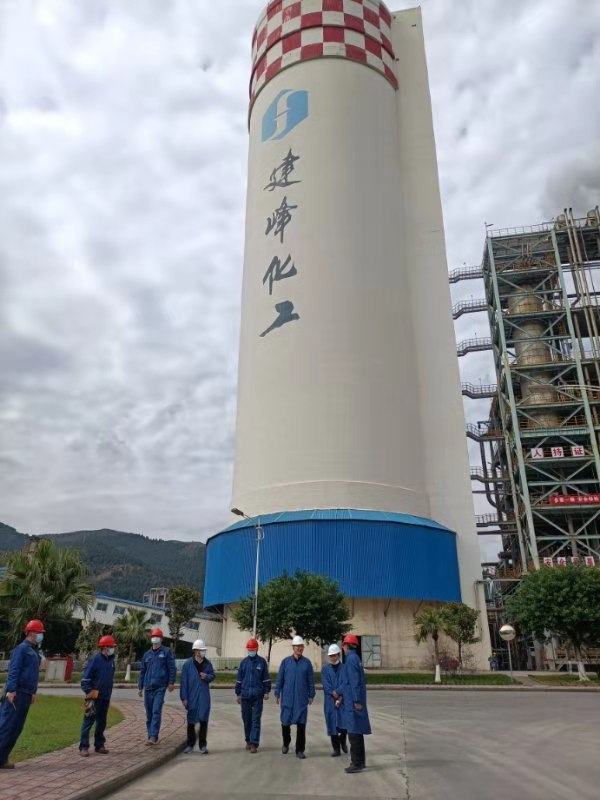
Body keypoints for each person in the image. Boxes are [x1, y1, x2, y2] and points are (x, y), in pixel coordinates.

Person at [0, 619, 44, 770]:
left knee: (16, 728)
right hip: (16, 693)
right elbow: (14, 670)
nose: (41, 636)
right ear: (31, 633)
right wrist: (11, 690)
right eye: (39, 633)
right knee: (6, 726)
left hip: (26, 693)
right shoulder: (22, 649)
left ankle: (2, 758)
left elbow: (33, 674)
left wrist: (33, 692)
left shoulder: (34, 651)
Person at [274, 635, 315, 759]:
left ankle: (300, 750)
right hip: (287, 698)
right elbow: (280, 679)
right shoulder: (285, 662)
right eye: (297, 646)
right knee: (285, 722)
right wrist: (277, 693)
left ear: (303, 648)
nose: (299, 648)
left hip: (301, 699)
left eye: (301, 646)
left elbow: (311, 681)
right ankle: (286, 742)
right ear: (293, 647)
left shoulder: (307, 663)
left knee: (301, 725)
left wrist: (311, 694)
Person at [337, 633, 371, 773]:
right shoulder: (356, 658)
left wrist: (356, 700)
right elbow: (349, 682)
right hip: (353, 699)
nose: (343, 648)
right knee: (358, 731)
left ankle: (356, 763)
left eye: (343, 645)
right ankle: (361, 762)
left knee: (353, 732)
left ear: (346, 646)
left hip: (353, 702)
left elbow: (354, 682)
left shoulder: (350, 660)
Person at [79, 635, 117, 757]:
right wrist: (89, 691)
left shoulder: (111, 661)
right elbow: (85, 679)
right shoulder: (95, 660)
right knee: (88, 722)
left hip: (105, 697)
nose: (113, 649)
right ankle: (83, 746)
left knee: (102, 722)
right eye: (111, 647)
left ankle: (99, 745)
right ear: (105, 647)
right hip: (93, 697)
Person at [138, 627, 176, 745]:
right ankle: (150, 735)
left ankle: (153, 736)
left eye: (157, 637)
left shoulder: (166, 652)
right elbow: (142, 672)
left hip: (160, 687)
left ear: (161, 639)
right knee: (149, 713)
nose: (155, 638)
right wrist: (140, 687)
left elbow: (172, 668)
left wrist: (171, 682)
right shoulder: (147, 655)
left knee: (156, 711)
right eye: (153, 637)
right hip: (148, 688)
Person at [235, 638, 271, 753]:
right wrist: (238, 693)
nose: (251, 651)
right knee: (247, 720)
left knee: (256, 720)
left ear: (257, 649)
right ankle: (248, 741)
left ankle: (254, 743)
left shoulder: (262, 662)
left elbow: (266, 678)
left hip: (257, 696)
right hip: (245, 696)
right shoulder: (244, 663)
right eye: (249, 650)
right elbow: (239, 679)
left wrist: (266, 691)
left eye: (253, 649)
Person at [180, 639, 215, 754]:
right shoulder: (187, 665)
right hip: (191, 696)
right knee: (191, 720)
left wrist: (206, 676)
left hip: (204, 696)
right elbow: (183, 682)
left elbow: (212, 675)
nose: (203, 652)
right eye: (201, 650)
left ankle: (202, 745)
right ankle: (190, 744)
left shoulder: (207, 664)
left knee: (204, 720)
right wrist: (184, 697)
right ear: (196, 651)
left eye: (204, 650)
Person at [321, 644, 348, 757]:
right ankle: (336, 749)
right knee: (332, 725)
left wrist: (339, 692)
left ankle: (343, 740)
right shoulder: (325, 669)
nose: (332, 657)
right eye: (331, 656)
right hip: (330, 700)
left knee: (344, 722)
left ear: (338, 655)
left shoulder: (344, 668)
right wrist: (333, 692)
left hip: (343, 700)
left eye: (334, 655)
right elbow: (325, 683)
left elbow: (346, 682)